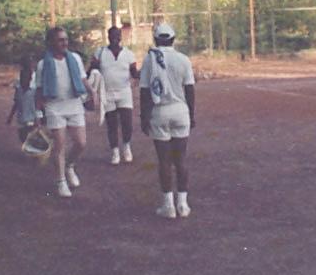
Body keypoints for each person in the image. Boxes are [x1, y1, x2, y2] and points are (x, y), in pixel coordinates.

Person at [140, 23, 196, 219]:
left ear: (156, 40)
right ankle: (183, 204)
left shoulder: (150, 60)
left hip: (159, 111)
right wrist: (192, 114)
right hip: (181, 111)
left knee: (164, 161)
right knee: (180, 159)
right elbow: (190, 89)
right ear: (173, 39)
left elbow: (145, 90)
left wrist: (144, 116)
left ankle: (168, 206)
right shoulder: (183, 60)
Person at [35, 27, 94, 198]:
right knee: (59, 145)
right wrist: (38, 114)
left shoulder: (74, 58)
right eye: (60, 40)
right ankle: (61, 181)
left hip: (74, 104)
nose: (64, 43)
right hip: (54, 107)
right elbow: (38, 91)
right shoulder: (42, 64)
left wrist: (92, 92)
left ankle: (69, 166)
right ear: (52, 42)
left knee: (81, 143)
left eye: (66, 39)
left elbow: (83, 78)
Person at [89, 26, 140, 165]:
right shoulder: (100, 52)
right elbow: (92, 70)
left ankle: (127, 147)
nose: (115, 38)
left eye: (117, 36)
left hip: (124, 92)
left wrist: (145, 72)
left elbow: (134, 73)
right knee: (111, 124)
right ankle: (115, 151)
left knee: (127, 123)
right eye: (112, 36)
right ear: (108, 37)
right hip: (107, 93)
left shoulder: (128, 54)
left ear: (120, 37)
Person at [6, 56, 43, 145]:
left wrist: (39, 117)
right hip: (25, 117)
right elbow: (16, 101)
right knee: (27, 137)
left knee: (29, 137)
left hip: (30, 117)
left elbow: (39, 102)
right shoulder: (21, 85)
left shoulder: (32, 84)